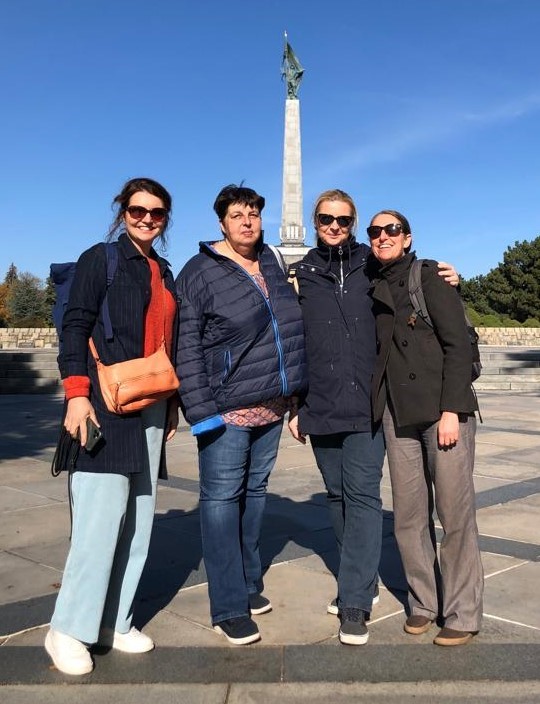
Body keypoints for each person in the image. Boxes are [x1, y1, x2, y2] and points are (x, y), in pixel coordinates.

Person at [288, 190, 459, 646]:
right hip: (320, 404)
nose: (334, 226)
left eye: (344, 220)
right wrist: (295, 407)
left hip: (368, 404)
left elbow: (412, 278)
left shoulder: (372, 264)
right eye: (326, 218)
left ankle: (355, 601)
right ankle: (357, 577)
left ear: (354, 223)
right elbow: (291, 342)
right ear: (314, 221)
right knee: (337, 496)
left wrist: (448, 278)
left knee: (363, 496)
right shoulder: (300, 274)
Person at [45, 178, 179, 675]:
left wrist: (169, 408)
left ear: (166, 218)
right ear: (122, 211)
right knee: (99, 526)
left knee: (139, 524)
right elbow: (74, 327)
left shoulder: (162, 270)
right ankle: (67, 629)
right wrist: (75, 396)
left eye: (157, 212)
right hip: (102, 404)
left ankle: (115, 620)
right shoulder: (98, 260)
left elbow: (169, 344)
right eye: (138, 209)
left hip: (147, 404)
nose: (147, 218)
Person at [175, 184, 307, 646]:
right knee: (220, 502)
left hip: (271, 404)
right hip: (227, 409)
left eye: (253, 213)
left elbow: (288, 330)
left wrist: (294, 398)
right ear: (221, 222)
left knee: (254, 495)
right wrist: (203, 412)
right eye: (237, 215)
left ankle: (249, 584)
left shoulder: (271, 260)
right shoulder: (199, 272)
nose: (247, 221)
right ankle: (228, 604)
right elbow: (185, 347)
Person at [369, 209, 483, 647]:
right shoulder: (371, 281)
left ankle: (462, 611)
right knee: (409, 518)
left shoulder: (429, 276)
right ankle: (422, 602)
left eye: (391, 230)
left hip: (442, 412)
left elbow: (457, 344)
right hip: (397, 415)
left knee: (454, 515)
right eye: (375, 231)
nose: (383, 237)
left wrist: (453, 410)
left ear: (408, 236)